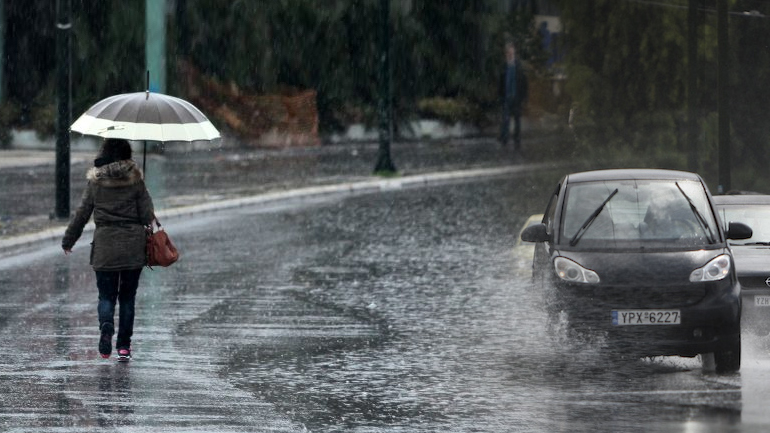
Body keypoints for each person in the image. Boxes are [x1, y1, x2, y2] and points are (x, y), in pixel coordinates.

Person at [62, 138, 155, 361]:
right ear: (127, 155)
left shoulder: (96, 181)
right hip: (133, 246)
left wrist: (68, 240)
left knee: (106, 296)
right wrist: (143, 189)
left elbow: (82, 214)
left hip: (105, 246)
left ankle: (106, 326)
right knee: (127, 298)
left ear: (105, 153)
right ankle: (124, 347)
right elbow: (146, 216)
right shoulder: (136, 180)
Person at [498, 41, 529, 150]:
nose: (510, 55)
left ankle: (517, 138)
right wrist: (501, 96)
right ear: (506, 54)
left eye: (512, 53)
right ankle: (504, 138)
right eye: (508, 53)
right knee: (505, 119)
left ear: (514, 53)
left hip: (516, 97)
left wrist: (524, 97)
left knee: (517, 120)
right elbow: (501, 83)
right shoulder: (504, 67)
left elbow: (524, 83)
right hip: (506, 97)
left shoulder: (519, 67)